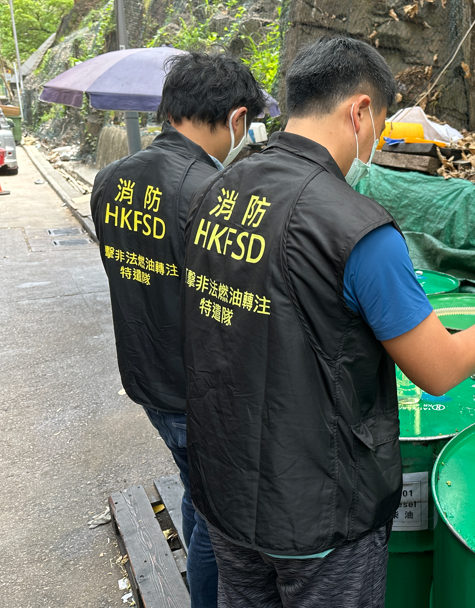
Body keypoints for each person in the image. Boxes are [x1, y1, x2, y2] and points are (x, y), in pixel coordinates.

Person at [180, 36, 475, 608]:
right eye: (377, 126)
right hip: (318, 515)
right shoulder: (358, 229)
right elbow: (440, 369)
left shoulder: (214, 191)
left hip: (223, 488)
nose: (373, 143)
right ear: (360, 111)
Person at [90, 52, 267, 608]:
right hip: (200, 393)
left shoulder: (109, 180)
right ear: (236, 119)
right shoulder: (212, 195)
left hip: (147, 379)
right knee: (221, 523)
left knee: (196, 485)